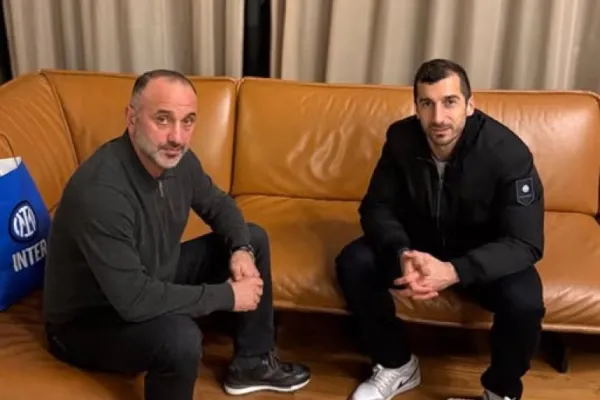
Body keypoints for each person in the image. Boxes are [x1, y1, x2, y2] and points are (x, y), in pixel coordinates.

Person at [42, 69, 310, 400]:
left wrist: (241, 249)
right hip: (90, 320)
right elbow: (134, 300)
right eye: (163, 119)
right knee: (180, 339)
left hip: (150, 275)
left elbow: (219, 205)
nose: (177, 137)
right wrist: (228, 296)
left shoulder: (178, 161)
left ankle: (252, 364)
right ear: (131, 119)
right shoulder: (100, 193)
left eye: (188, 122)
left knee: (252, 238)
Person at [335, 59, 545, 400]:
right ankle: (396, 364)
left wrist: (454, 270)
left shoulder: (508, 153)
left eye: (450, 102)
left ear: (469, 105)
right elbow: (376, 207)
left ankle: (500, 391)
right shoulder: (401, 139)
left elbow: (525, 242)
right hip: (419, 248)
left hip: (481, 255)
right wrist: (401, 252)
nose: (438, 118)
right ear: (416, 107)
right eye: (427, 104)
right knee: (353, 262)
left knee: (525, 302)